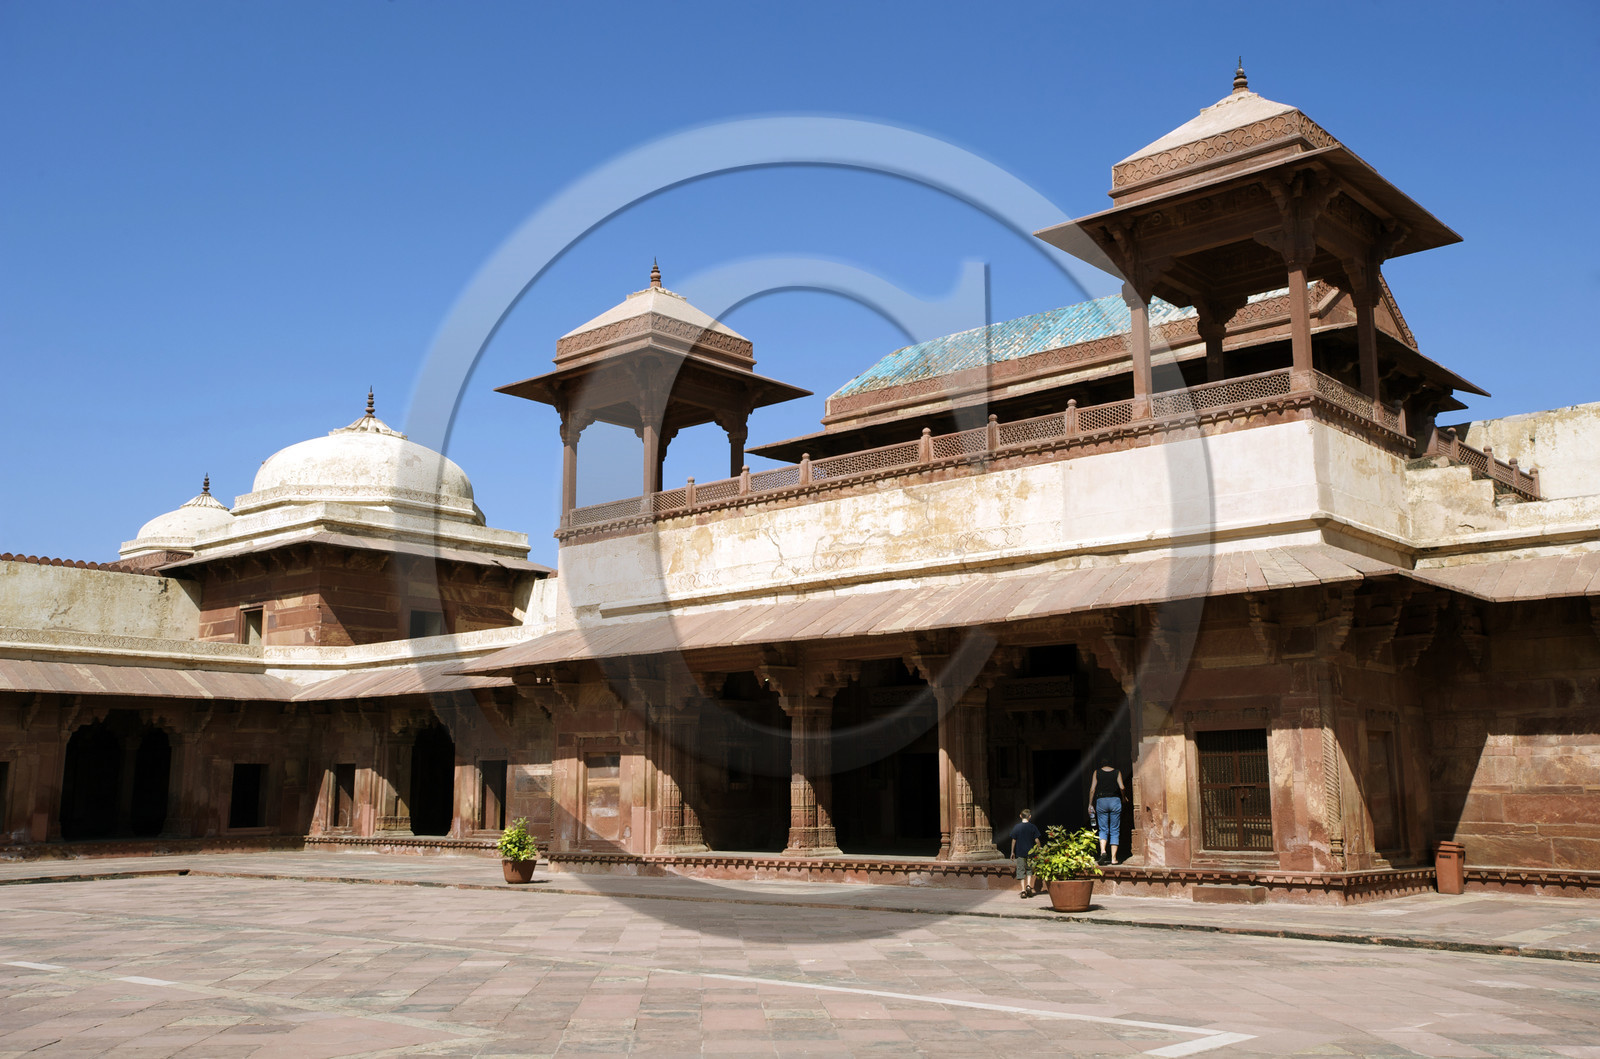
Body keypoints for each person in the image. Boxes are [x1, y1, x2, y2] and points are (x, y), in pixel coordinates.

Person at [1087, 762, 1125, 864]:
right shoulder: (1117, 772)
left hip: (1101, 801)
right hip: (1115, 801)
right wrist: (1123, 797)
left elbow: (1092, 789)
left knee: (1103, 828)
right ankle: (1113, 858)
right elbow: (1122, 787)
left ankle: (1103, 851)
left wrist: (1090, 804)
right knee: (1115, 829)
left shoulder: (1097, 772)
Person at [1010, 808, 1042, 897]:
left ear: (1020, 816)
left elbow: (1013, 840)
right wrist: (1039, 849)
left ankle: (1023, 890)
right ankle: (1028, 885)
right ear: (1030, 817)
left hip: (1020, 853)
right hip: (1030, 853)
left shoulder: (1016, 827)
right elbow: (1037, 840)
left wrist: (1012, 852)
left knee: (1021, 871)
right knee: (1029, 870)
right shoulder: (1032, 827)